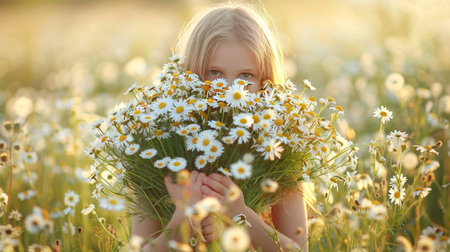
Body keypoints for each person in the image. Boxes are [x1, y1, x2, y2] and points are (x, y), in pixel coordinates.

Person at [132, 3, 308, 251]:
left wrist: (240, 215)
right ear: (191, 74)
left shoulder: (279, 150)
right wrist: (184, 217)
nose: (229, 90)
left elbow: (299, 248)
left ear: (265, 82)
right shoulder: (157, 149)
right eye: (215, 72)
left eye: (246, 76)